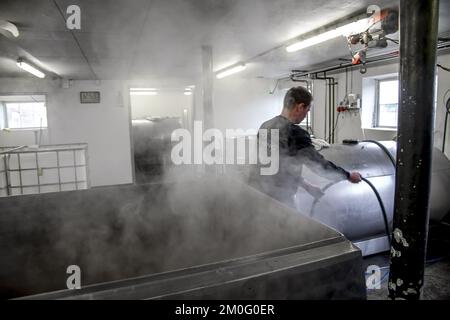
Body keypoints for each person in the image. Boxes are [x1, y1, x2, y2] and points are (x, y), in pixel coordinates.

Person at [249, 86, 361, 208]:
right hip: (279, 200)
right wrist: (348, 176)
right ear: (300, 107)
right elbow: (319, 165)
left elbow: (280, 166)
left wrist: (306, 185)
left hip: (256, 192)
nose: (306, 115)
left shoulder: (265, 125)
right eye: (307, 111)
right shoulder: (296, 133)